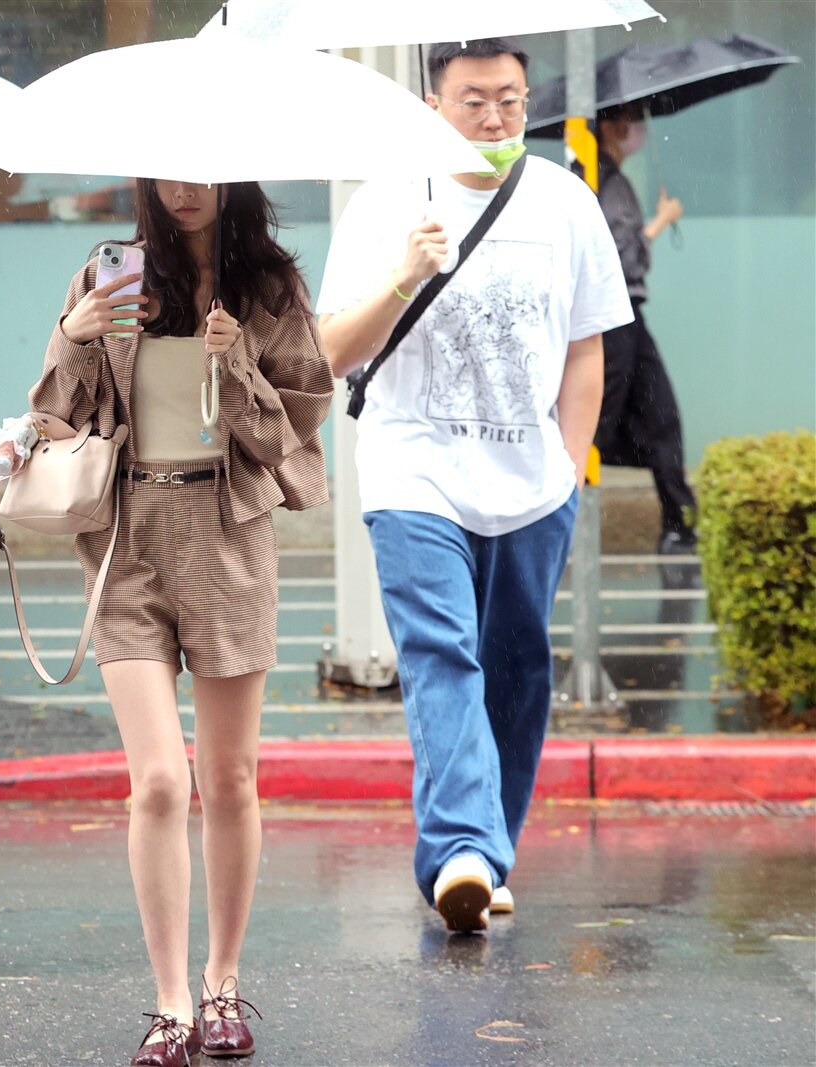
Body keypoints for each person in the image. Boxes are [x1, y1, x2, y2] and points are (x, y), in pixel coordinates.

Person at [316, 38, 632, 934]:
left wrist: (566, 472)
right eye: (473, 102)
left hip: (532, 484)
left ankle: (490, 853)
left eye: (510, 100)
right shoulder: (384, 204)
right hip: (412, 472)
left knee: (519, 671)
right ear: (431, 102)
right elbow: (333, 351)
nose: (495, 120)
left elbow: (585, 350)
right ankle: (459, 846)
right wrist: (404, 272)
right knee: (442, 654)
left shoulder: (566, 203)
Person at [31, 179, 334, 1065]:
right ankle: (170, 1005)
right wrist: (74, 334)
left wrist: (234, 361)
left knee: (230, 777)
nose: (185, 188)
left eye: (203, 168)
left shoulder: (270, 285)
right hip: (126, 537)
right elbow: (56, 412)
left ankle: (222, 983)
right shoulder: (108, 272)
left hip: (228, 532)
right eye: (167, 167)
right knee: (160, 780)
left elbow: (294, 428)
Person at [590, 103, 696, 553]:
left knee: (659, 418)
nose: (642, 134)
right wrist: (661, 222)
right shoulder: (604, 182)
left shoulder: (606, 177)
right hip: (616, 319)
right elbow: (622, 259)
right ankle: (550, 519)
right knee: (597, 421)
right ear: (612, 128)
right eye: (635, 124)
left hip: (627, 318)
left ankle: (681, 524)